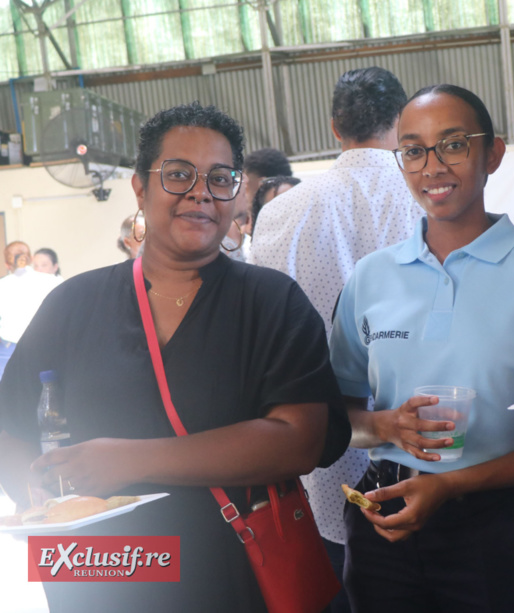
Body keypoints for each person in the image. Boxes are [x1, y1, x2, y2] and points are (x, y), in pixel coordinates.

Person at [0, 102, 350, 612]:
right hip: (102, 574)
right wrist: (41, 508)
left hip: (228, 568)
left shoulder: (271, 301)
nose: (200, 192)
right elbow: (9, 422)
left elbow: (300, 440)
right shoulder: (74, 304)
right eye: (179, 174)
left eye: (221, 178)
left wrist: (127, 459)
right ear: (140, 187)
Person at [329, 84, 514, 612]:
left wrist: (452, 486)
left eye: (453, 144)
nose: (432, 166)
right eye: (413, 150)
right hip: (385, 520)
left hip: (492, 525)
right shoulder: (371, 277)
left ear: (492, 153)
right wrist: (386, 426)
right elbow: (338, 413)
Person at [252, 66, 424, 611]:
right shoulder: (432, 196)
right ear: (401, 125)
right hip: (435, 437)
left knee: (341, 585)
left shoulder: (283, 210)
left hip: (325, 442)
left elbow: (271, 335)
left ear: (334, 128)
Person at [0, 242, 62, 379]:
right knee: (45, 393)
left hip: (9, 348)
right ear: (30, 258)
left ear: (7, 264)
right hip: (45, 347)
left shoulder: (2, 285)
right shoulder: (53, 281)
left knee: (7, 394)